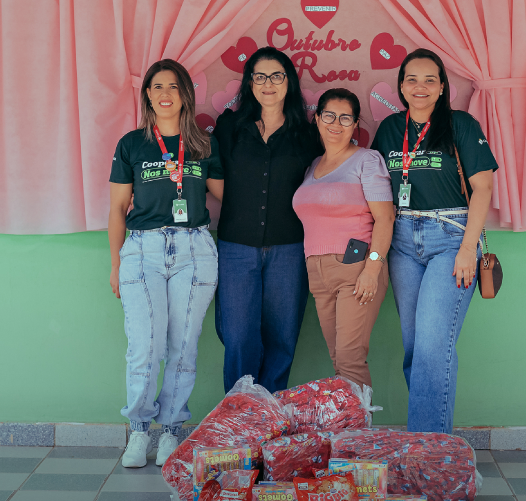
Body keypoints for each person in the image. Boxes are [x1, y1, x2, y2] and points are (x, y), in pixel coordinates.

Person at [371, 49, 498, 433]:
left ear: (443, 87)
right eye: (412, 79)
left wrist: (466, 250)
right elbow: (376, 191)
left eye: (430, 80)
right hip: (403, 241)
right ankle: (427, 442)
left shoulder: (460, 124)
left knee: (431, 348)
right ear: (401, 86)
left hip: (451, 237)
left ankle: (430, 453)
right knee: (414, 350)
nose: (420, 87)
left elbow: (483, 187)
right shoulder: (391, 129)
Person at [108, 59, 224, 468]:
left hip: (194, 250)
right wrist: (114, 264)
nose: (165, 93)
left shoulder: (204, 144)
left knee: (183, 347)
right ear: (148, 96)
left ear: (185, 94)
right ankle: (139, 431)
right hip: (143, 252)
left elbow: (226, 196)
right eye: (157, 86)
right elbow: (118, 208)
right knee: (145, 346)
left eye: (173, 86)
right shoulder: (132, 145)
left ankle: (172, 430)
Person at [211, 47, 323, 393]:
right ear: (250, 83)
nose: (268, 83)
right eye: (260, 76)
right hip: (236, 246)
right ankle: (238, 419)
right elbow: (215, 179)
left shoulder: (306, 133)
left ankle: (271, 423)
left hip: (289, 248)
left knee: (281, 338)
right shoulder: (230, 126)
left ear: (288, 82)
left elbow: (318, 184)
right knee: (239, 337)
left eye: (276, 76)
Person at [292, 88, 394, 387]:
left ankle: (359, 434)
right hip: (318, 273)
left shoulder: (367, 160)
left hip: (356, 268)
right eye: (329, 115)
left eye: (345, 118)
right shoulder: (313, 166)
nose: (336, 123)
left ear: (355, 124)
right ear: (317, 119)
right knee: (338, 359)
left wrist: (372, 269)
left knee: (350, 359)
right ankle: (349, 430)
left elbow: (385, 218)